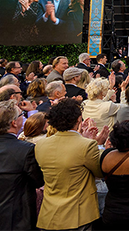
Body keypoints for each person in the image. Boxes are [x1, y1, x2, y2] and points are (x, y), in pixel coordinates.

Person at [35, 98, 105, 231]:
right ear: (79, 120)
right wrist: (99, 146)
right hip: (78, 216)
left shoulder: (41, 145)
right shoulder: (87, 145)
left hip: (49, 215)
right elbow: (99, 173)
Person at [0, 100, 44, 231]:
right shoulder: (26, 150)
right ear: (14, 122)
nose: (24, 118)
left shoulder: (26, 149)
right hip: (17, 218)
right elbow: (38, 180)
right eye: (22, 115)